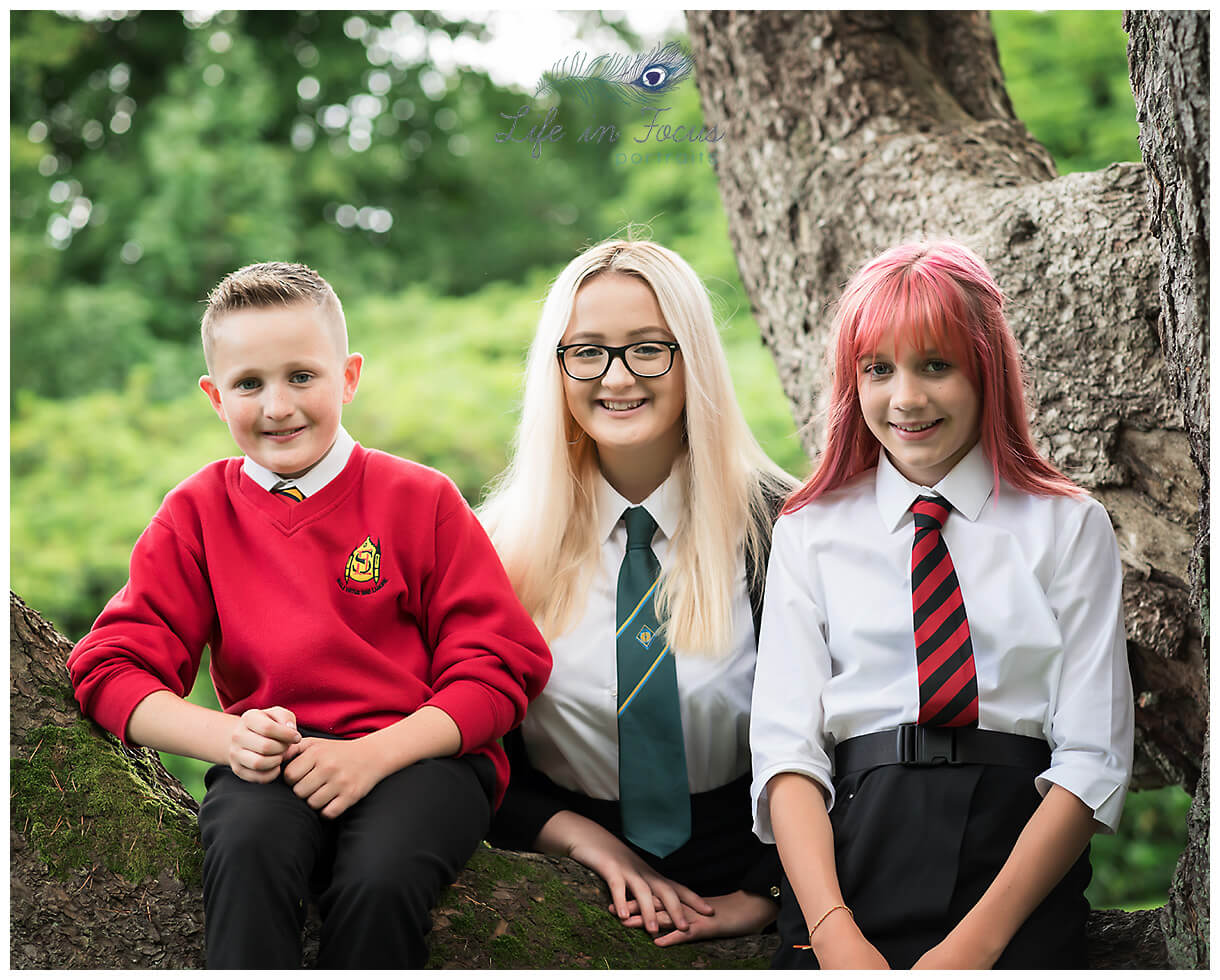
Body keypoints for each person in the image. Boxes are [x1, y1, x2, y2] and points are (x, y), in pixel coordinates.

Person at [66, 262, 552, 969]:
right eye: (248, 384)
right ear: (214, 396)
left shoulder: (420, 500)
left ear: (348, 376)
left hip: (421, 758)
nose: (277, 406)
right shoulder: (198, 514)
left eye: (302, 376)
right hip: (271, 765)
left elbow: (501, 667)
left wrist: (372, 756)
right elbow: (108, 666)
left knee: (378, 880)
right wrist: (226, 739)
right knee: (245, 847)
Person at [750, 239, 1135, 969]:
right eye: (878, 369)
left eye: (936, 365)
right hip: (850, 855)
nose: (907, 399)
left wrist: (976, 945)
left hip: (1013, 856)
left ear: (986, 371)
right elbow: (786, 755)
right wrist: (833, 934)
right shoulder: (810, 531)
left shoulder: (1066, 524)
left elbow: (1093, 756)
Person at [480, 238, 798, 947]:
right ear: (556, 369)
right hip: (557, 890)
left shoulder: (787, 530)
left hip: (763, 882)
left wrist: (770, 891)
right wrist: (585, 842)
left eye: (649, 348)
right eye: (587, 351)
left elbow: (843, 735)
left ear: (695, 358)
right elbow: (474, 750)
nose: (616, 377)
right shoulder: (494, 547)